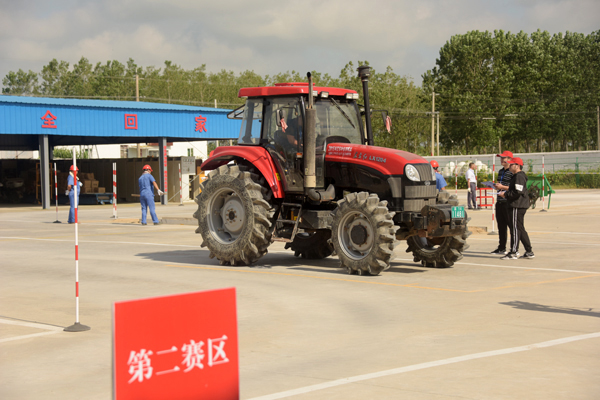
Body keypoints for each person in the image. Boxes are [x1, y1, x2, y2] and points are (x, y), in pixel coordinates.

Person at [498, 157, 534, 260]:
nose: (509, 166)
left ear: (517, 166)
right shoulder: (516, 176)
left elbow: (518, 192)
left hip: (517, 205)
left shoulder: (519, 176)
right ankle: (529, 251)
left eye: (511, 164)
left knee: (515, 229)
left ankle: (514, 252)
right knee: (520, 228)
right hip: (518, 205)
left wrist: (506, 194)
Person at [490, 151, 514, 255]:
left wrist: (502, 187)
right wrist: (496, 186)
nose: (502, 160)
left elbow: (513, 188)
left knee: (511, 226)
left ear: (509, 159)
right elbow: (501, 185)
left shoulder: (512, 172)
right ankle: (501, 247)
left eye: (504, 158)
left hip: (508, 202)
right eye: (501, 158)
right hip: (499, 201)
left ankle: (513, 249)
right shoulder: (500, 171)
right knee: (501, 226)